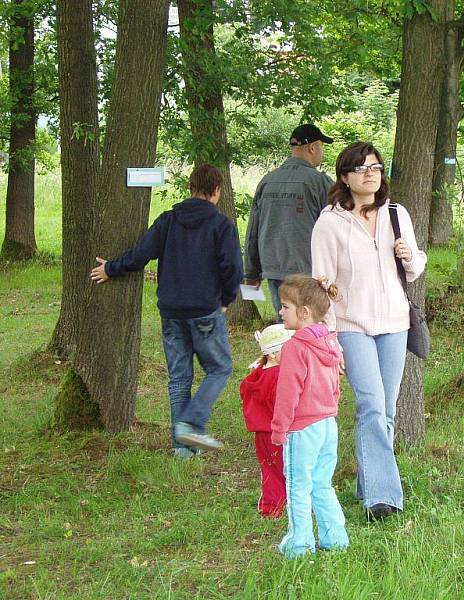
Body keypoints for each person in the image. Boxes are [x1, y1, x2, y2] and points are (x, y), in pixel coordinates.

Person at [90, 164, 243, 456]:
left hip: (171, 311)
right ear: (216, 191)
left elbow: (140, 254)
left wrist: (111, 268)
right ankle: (191, 422)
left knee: (179, 378)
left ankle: (183, 449)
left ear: (191, 188)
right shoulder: (222, 226)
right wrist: (225, 299)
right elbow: (233, 268)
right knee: (220, 368)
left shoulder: (168, 220)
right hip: (204, 311)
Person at [310, 141, 427, 521]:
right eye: (361, 169)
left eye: (375, 167)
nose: (370, 174)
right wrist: (328, 335)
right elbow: (321, 280)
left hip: (394, 323)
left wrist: (411, 257)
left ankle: (368, 484)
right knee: (372, 406)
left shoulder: (396, 213)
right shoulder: (330, 221)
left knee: (387, 409)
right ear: (345, 177)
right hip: (350, 325)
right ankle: (384, 498)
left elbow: (415, 264)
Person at [272, 274, 349, 558]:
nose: (281, 312)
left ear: (303, 313)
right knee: (321, 483)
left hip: (302, 428)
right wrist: (331, 408)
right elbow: (335, 386)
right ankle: (335, 538)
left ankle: (300, 545)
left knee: (298, 486)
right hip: (328, 425)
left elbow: (288, 393)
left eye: (285, 307)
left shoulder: (295, 347)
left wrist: (279, 429)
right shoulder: (330, 343)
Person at [243, 123, 335, 321]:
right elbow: (337, 227)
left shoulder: (267, 180)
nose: (322, 152)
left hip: (273, 267)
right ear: (312, 148)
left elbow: (253, 230)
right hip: (308, 270)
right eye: (322, 146)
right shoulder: (320, 182)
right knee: (311, 325)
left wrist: (251, 273)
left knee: (285, 323)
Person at [239, 324, 295, 517]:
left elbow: (244, 393)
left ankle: (271, 506)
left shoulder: (256, 375)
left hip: (261, 433)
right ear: (273, 354)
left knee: (269, 469)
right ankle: (293, 502)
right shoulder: (280, 376)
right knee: (289, 468)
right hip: (280, 430)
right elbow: (284, 403)